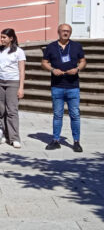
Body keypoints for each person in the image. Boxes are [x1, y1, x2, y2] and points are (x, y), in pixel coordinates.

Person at [41, 24, 86, 152]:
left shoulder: (76, 46)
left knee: (75, 115)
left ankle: (76, 142)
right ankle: (55, 140)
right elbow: (44, 62)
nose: (66, 33)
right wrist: (53, 69)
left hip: (73, 86)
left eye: (68, 31)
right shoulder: (51, 46)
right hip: (57, 86)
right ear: (58, 32)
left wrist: (77, 69)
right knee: (57, 115)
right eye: (63, 31)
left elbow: (83, 61)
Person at [0, 28, 26, 148]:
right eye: (1, 37)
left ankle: (14, 137)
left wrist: (21, 87)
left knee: (12, 110)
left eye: (4, 37)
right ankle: (6, 135)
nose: (1, 39)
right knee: (2, 110)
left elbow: (22, 70)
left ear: (11, 38)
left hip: (13, 82)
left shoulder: (19, 51)